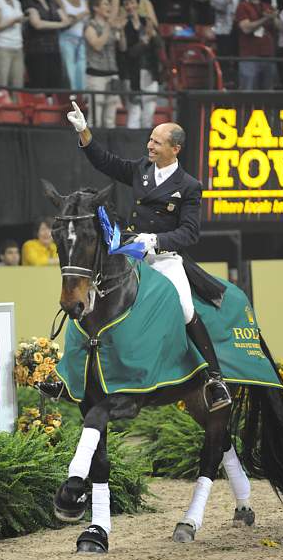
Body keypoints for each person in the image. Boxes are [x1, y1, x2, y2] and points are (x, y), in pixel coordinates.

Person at [65, 100, 231, 412]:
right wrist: (83, 130)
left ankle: (215, 378)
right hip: (129, 254)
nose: (149, 145)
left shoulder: (189, 186)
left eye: (157, 141)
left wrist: (154, 240)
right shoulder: (141, 168)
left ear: (175, 148)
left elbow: (190, 233)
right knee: (91, 298)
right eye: (150, 139)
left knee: (184, 308)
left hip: (164, 259)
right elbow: (106, 162)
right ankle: (72, 374)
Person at [121, 0, 162, 129]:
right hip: (133, 75)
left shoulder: (147, 22)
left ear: (138, 4)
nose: (130, 6)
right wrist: (145, 40)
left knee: (149, 113)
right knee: (134, 113)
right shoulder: (124, 27)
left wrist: (154, 34)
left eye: (132, 3)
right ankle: (131, 147)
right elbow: (129, 53)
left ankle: (147, 146)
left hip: (151, 72)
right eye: (126, 4)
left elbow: (159, 45)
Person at [84, 0, 126, 128]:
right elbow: (97, 45)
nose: (109, 7)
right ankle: (91, 148)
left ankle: (108, 148)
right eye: (105, 4)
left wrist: (121, 30)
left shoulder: (112, 27)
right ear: (96, 8)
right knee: (95, 118)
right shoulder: (90, 26)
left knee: (110, 118)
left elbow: (123, 47)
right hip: (96, 76)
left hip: (112, 75)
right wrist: (108, 27)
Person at [23, 0, 70, 89]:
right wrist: (59, 25)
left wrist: (60, 22)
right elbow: (37, 24)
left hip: (54, 49)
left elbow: (66, 19)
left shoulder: (51, 1)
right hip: (36, 51)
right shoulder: (28, 2)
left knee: (55, 85)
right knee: (40, 85)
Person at [235, 0, 279, 89]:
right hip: (250, 56)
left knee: (268, 93)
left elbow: (279, 27)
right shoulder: (243, 7)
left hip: (268, 55)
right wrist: (265, 18)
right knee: (247, 92)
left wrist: (274, 17)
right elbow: (246, 28)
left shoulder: (267, 6)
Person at [56, 0, 89, 89]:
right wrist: (82, 14)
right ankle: (71, 103)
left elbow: (85, 24)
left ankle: (80, 105)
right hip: (66, 40)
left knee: (81, 74)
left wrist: (77, 17)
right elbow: (67, 22)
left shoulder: (83, 1)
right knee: (70, 75)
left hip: (81, 42)